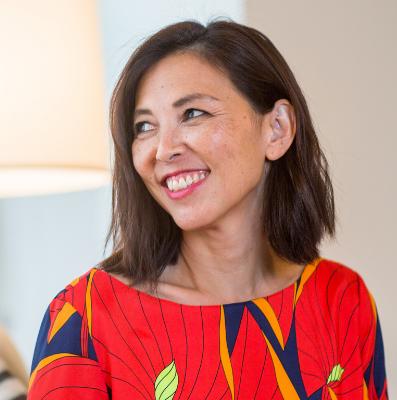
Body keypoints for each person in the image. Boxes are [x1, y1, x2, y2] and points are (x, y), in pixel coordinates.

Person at [28, 20, 388, 399]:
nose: (163, 149)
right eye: (145, 126)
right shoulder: (84, 319)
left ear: (277, 129)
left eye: (193, 114)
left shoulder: (341, 301)